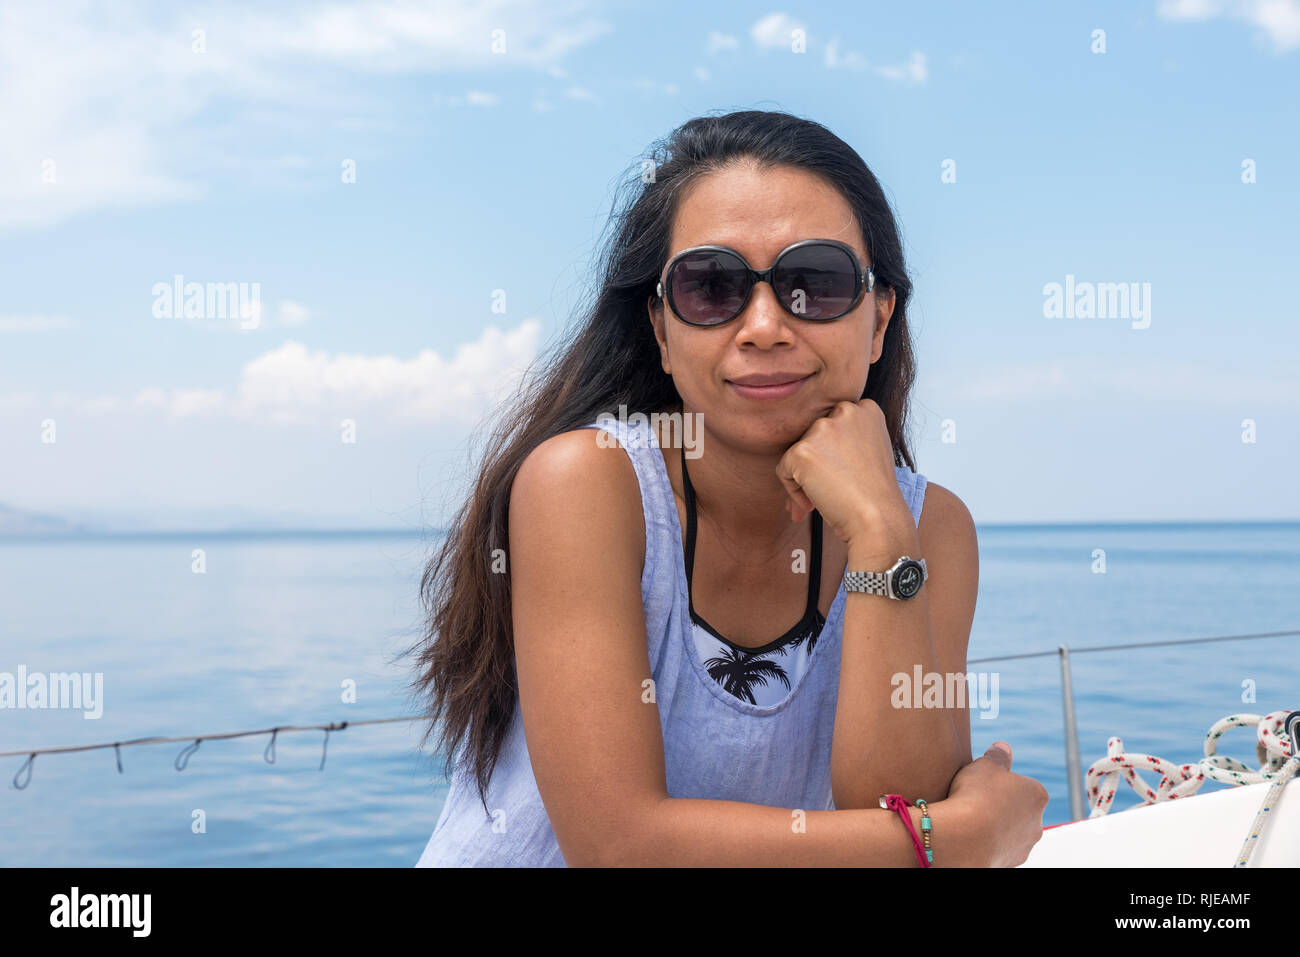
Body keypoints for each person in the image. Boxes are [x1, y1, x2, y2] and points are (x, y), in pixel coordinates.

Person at [409, 109, 1048, 866]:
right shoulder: (587, 485)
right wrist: (954, 836)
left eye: (815, 282)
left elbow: (897, 806)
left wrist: (879, 532)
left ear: (879, 320)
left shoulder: (927, 526)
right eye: (714, 287)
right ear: (661, 330)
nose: (766, 325)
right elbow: (619, 849)